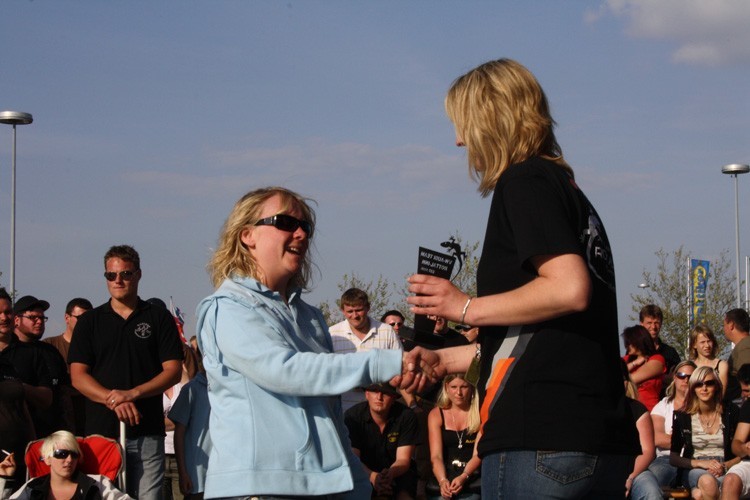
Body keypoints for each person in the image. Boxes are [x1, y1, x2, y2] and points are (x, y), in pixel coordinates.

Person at [404, 58, 639, 498]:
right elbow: (546, 336)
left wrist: (464, 307)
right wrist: (448, 360)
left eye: (463, 125)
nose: (458, 141)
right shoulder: (566, 191)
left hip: (540, 437)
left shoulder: (524, 180)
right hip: (595, 436)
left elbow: (568, 289)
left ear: (491, 121)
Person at [196, 187, 407, 498]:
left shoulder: (310, 317)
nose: (301, 234)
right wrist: (387, 362)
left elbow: (330, 413)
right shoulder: (228, 307)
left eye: (305, 226)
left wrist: (358, 486)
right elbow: (286, 371)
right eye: (285, 222)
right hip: (258, 488)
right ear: (247, 235)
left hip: (321, 487)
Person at [68, 245, 184, 500]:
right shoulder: (89, 321)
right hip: (101, 436)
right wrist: (113, 399)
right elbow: (78, 376)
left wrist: (132, 394)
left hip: (147, 432)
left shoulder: (158, 317)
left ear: (138, 275)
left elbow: (173, 371)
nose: (118, 280)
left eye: (125, 274)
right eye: (111, 275)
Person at [670, 366, 740, 500]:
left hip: (726, 467)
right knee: (708, 483)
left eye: (709, 383)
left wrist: (725, 466)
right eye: (698, 384)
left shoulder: (731, 412)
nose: (704, 388)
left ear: (717, 386)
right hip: (694, 469)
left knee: (700, 494)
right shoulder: (683, 416)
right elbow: (673, 458)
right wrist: (702, 463)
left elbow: (742, 452)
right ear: (692, 388)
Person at [329, 288, 403, 412]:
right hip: (344, 409)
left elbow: (399, 366)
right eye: (350, 311)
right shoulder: (332, 334)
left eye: (359, 310)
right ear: (342, 311)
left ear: (368, 307)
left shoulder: (386, 331)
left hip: (380, 411)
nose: (355, 315)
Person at [631, 360, 697, 499]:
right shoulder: (663, 406)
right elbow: (657, 438)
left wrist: (675, 439)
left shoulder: (703, 404)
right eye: (681, 375)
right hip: (666, 459)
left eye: (690, 376)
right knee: (653, 482)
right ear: (674, 377)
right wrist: (691, 439)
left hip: (696, 458)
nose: (686, 380)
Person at [344, 383, 419, 499]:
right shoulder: (352, 417)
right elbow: (354, 459)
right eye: (375, 391)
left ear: (394, 398)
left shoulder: (406, 416)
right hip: (363, 471)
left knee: (404, 495)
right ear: (367, 394)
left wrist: (389, 474)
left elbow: (403, 460)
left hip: (398, 471)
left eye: (385, 393)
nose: (379, 397)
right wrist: (373, 476)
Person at [9, 430, 131, 499]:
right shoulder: (33, 486)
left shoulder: (96, 483)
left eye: (74, 454)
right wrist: (5, 479)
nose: (69, 460)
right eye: (61, 454)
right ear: (47, 459)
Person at [13, 295, 73, 436]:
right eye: (33, 317)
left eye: (42, 318)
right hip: (19, 433)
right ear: (16, 320)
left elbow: (64, 393)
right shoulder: (8, 353)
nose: (39, 321)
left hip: (53, 433)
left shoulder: (51, 352)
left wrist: (69, 429)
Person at [0, 288, 38, 487]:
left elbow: (22, 407)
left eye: (7, 312)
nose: (4, 317)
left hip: (20, 452)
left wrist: (33, 446)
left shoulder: (8, 364)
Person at [43, 297, 93, 436]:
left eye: (88, 318)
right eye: (80, 318)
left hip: (89, 413)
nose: (84, 322)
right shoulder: (50, 346)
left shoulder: (96, 347)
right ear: (67, 318)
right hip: (60, 418)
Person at [426, 375, 481, 500]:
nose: (459, 393)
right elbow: (436, 456)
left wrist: (464, 476)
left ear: (471, 388)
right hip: (445, 474)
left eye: (464, 387)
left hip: (472, 477)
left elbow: (477, 455)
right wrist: (442, 480)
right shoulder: (436, 415)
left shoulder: (479, 413)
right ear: (446, 387)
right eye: (454, 387)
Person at [168, 351, 210, 500]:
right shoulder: (191, 390)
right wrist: (183, 472)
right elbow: (179, 433)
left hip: (222, 475)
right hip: (197, 477)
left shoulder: (228, 389)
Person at [620, 360, 656, 499]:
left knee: (651, 493)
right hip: (600, 470)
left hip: (635, 469)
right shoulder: (591, 409)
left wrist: (630, 477)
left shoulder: (637, 409)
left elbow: (647, 451)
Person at [623, 325, 667, 411]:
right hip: (629, 409)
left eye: (629, 343)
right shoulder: (625, 360)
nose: (626, 346)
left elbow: (632, 379)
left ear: (638, 341)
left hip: (649, 409)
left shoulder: (657, 360)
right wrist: (634, 363)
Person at [640, 305, 681, 374]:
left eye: (656, 323)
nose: (653, 327)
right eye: (649, 323)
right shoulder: (635, 351)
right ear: (641, 324)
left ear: (661, 324)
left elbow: (678, 376)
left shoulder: (670, 353)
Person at [689, 325, 729, 395]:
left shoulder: (721, 365)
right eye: (702, 342)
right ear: (694, 345)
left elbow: (721, 392)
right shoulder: (690, 366)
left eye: (709, 341)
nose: (707, 345)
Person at [723, 309, 750, 403]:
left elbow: (746, 377)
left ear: (731, 325)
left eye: (724, 325)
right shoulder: (743, 346)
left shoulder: (744, 347)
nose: (724, 329)